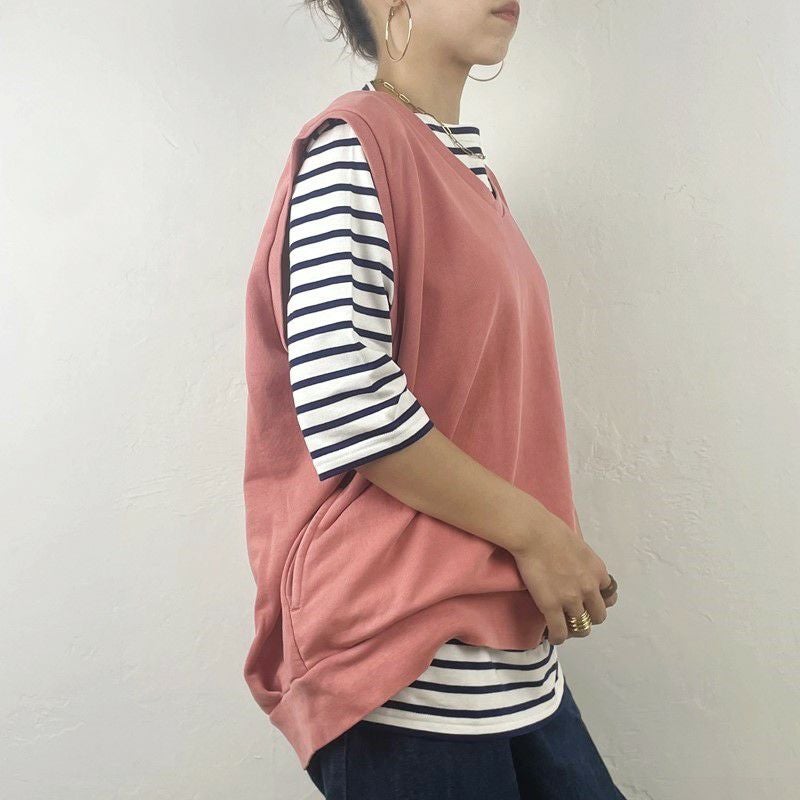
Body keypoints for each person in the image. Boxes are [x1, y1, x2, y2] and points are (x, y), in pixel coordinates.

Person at [242, 1, 625, 797]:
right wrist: (540, 536)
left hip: (506, 659)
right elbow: (347, 398)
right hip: (405, 666)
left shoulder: (462, 166)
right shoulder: (354, 147)